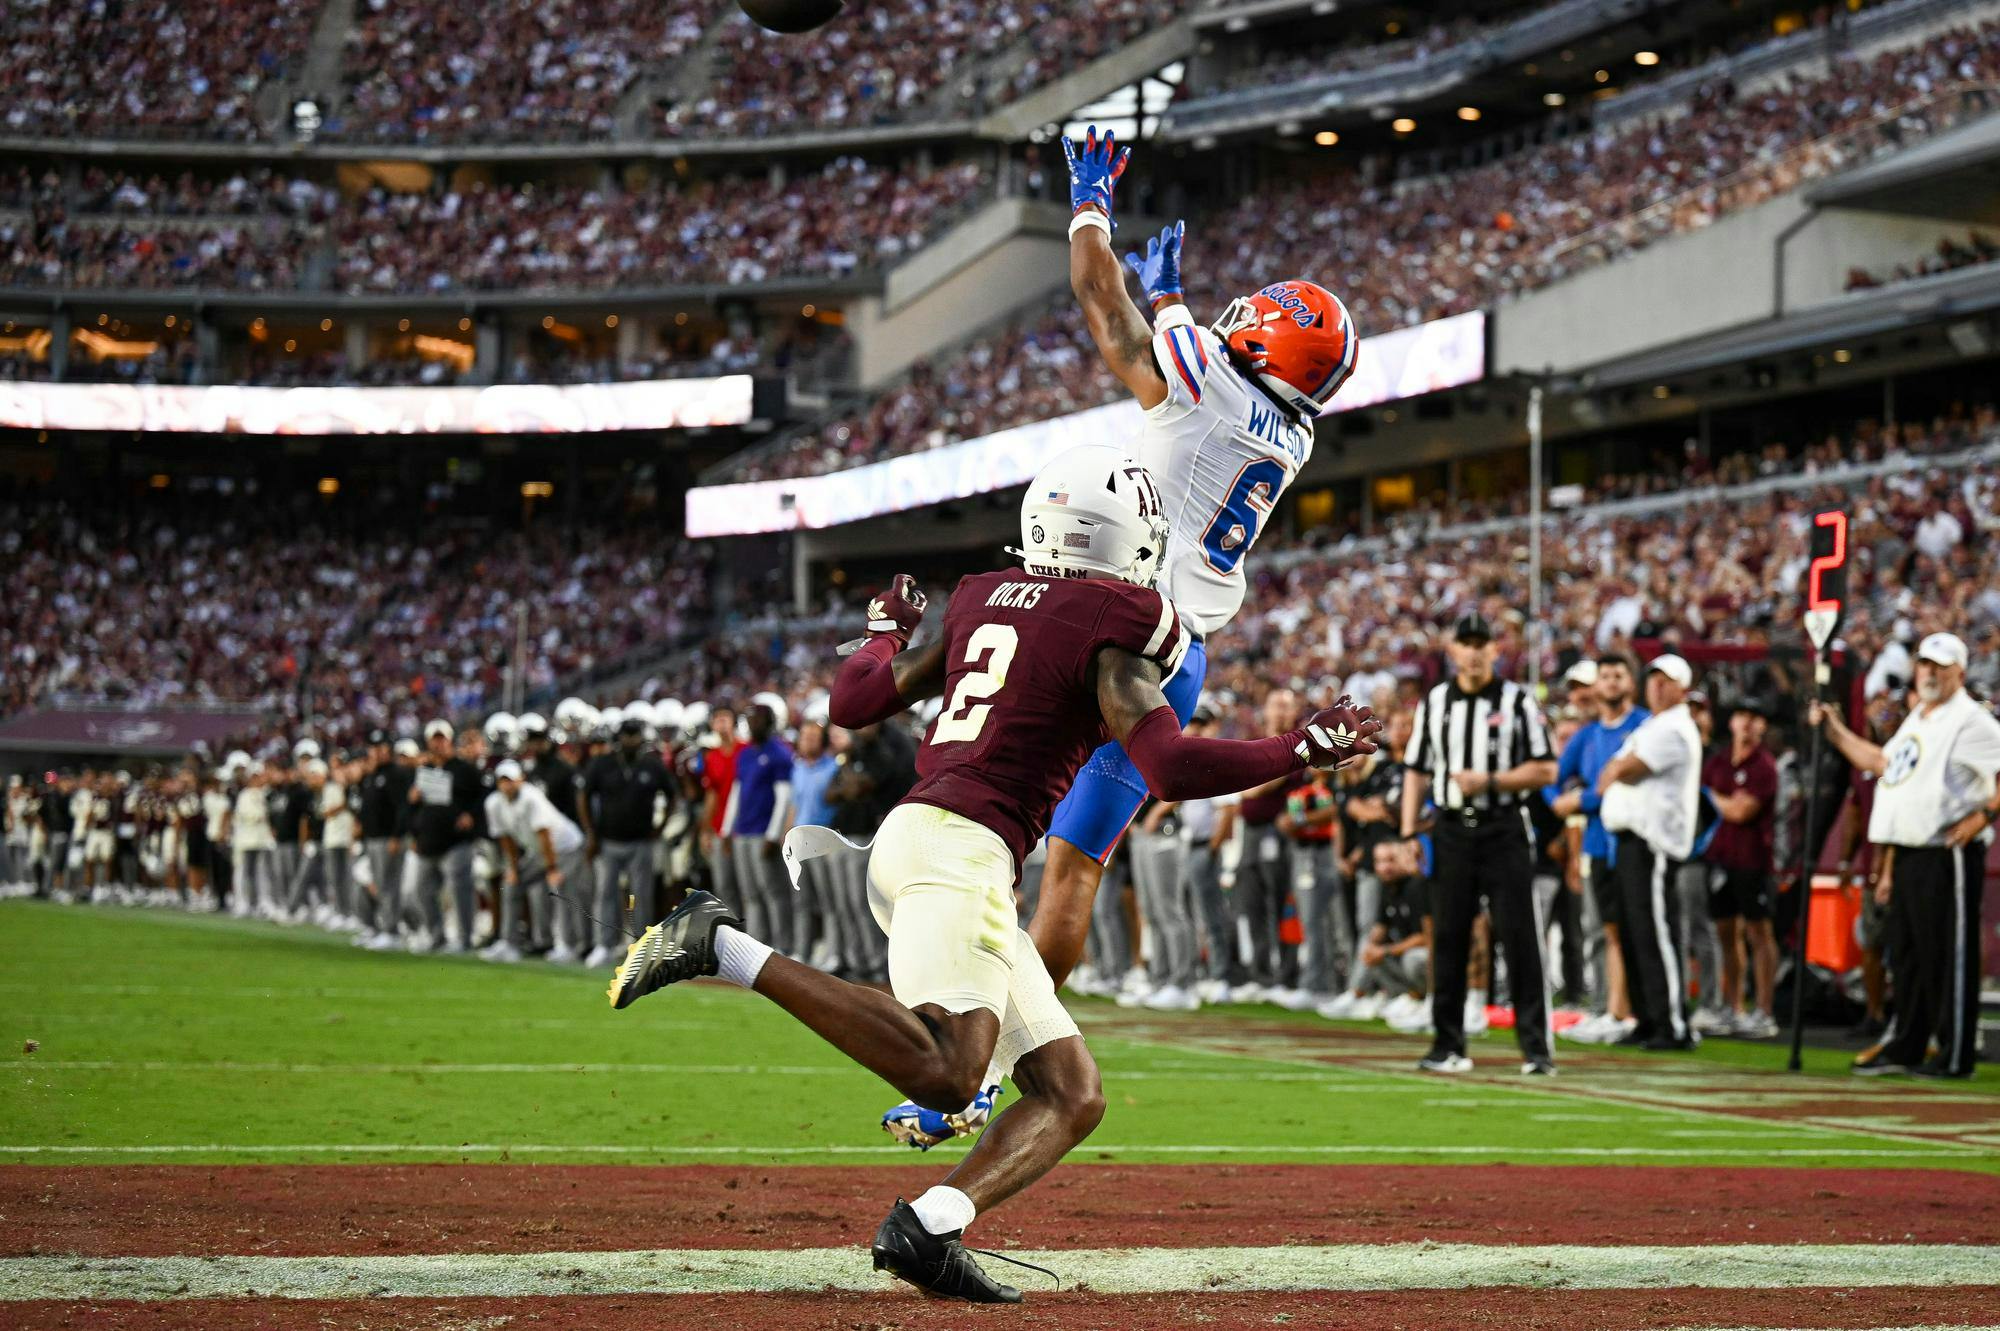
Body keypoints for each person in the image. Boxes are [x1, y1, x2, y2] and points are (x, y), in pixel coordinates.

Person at [608, 445, 1379, 1304]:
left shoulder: (982, 596)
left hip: (931, 836)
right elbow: (1168, 766)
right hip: (961, 849)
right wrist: (1296, 748)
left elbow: (854, 701)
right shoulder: (1115, 619)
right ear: (1120, 534)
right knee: (946, 1070)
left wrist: (882, 633)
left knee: (1069, 1090)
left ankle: (931, 1225)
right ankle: (721, 946)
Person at [1810, 632, 2000, 1078]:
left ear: (1960, 671)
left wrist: (1984, 816)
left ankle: (1955, 1053)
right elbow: (1882, 764)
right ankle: (1909, 1042)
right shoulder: (1921, 717)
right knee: (1908, 956)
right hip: (1911, 850)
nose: (1930, 672)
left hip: (1945, 851)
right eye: (1924, 664)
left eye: (1940, 665)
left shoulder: (1973, 720)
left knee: (1945, 954)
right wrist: (1835, 731)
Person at [1401, 611, 1558, 1075]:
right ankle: (1447, 1045)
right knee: (1447, 937)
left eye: (1480, 643)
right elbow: (1416, 768)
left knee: (1520, 938)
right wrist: (1411, 830)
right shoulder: (1435, 703)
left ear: (1495, 649)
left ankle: (1536, 1050)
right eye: (1464, 644)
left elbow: (1546, 769)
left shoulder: (1518, 701)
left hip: (1504, 827)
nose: (1472, 653)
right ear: (1453, 651)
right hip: (1450, 831)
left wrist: (1490, 780)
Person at [1599, 654, 1707, 1051]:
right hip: (1631, 843)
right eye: (1654, 680)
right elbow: (1613, 768)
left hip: (1654, 844)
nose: (1658, 687)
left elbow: (1624, 769)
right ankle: (1648, 1018)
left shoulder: (1675, 727)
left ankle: (1673, 1023)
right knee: (1634, 933)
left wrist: (1617, 767)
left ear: (1682, 688)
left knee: (1655, 935)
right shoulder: (1654, 725)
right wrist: (1616, 767)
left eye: (1667, 681)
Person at [1547, 652, 1649, 1044]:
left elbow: (1628, 788)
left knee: (1632, 929)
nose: (1610, 682)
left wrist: (1583, 800)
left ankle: (1628, 1010)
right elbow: (1552, 775)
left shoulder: (1643, 726)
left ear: (1630, 683)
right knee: (1604, 930)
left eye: (1617, 675)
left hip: (1635, 841)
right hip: (1596, 845)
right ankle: (1610, 1008)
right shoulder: (1588, 734)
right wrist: (1561, 799)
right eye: (1604, 675)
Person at [1698, 702, 1780, 1039]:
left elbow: (1741, 812)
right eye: (1742, 717)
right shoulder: (1717, 761)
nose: (1747, 724)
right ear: (1731, 722)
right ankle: (1734, 1007)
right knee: (1725, 934)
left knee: (1758, 933)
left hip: (1753, 859)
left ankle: (1764, 1010)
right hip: (1719, 857)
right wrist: (1721, 800)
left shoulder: (1764, 766)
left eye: (1754, 718)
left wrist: (1711, 796)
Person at [584, 717, 675, 961]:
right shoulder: (603, 764)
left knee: (640, 895)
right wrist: (591, 833)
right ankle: (604, 944)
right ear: (619, 737)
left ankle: (639, 945)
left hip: (640, 840)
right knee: (605, 893)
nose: (630, 740)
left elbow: (672, 794)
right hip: (609, 839)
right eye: (627, 735)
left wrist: (661, 825)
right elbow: (583, 796)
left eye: (635, 735)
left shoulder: (652, 765)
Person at [486, 759, 589, 963]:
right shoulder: (493, 803)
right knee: (511, 885)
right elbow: (506, 840)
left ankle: (569, 946)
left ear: (520, 780)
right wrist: (514, 869)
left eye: (511, 780)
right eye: (503, 781)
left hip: (567, 847)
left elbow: (545, 834)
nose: (507, 785)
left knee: (564, 891)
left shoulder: (531, 798)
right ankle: (509, 943)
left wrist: (552, 869)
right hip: (540, 852)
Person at [725, 702, 795, 957]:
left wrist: (772, 834)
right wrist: (727, 829)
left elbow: (783, 797)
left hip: (762, 831)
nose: (753, 724)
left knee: (773, 891)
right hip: (743, 830)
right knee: (750, 892)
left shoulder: (779, 753)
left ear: (769, 723)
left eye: (758, 719)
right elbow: (737, 792)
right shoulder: (745, 754)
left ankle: (782, 946)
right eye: (750, 719)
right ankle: (755, 945)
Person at [407, 719, 484, 953]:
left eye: (442, 738)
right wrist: (413, 800)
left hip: (457, 840)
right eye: (435, 739)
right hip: (428, 840)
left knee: (459, 890)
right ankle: (436, 936)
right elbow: (415, 807)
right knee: (422, 891)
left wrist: (471, 815)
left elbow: (482, 798)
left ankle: (464, 939)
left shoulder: (465, 769)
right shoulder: (424, 770)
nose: (439, 743)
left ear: (450, 740)